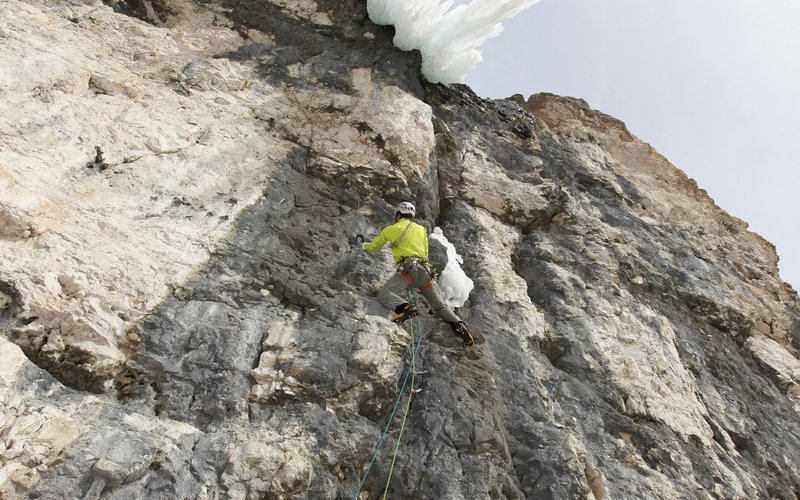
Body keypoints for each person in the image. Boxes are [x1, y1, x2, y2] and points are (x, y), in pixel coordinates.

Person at [359, 202, 475, 346]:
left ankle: (406, 308)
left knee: (385, 294)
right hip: (426, 273)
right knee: (440, 306)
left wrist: (363, 245)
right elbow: (425, 252)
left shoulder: (391, 229)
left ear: (398, 215)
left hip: (408, 272)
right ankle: (459, 326)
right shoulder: (421, 230)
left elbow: (375, 247)